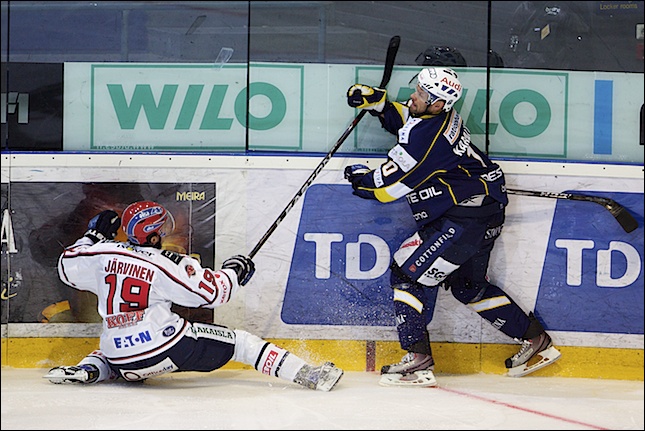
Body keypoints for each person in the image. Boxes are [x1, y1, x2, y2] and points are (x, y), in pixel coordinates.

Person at [343, 67, 561, 387]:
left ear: (437, 103)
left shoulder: (427, 141)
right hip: (483, 208)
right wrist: (379, 104)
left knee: (406, 274)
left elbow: (386, 189)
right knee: (468, 287)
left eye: (421, 94)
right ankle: (535, 340)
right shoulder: (440, 116)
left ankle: (418, 360)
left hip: (464, 219)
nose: (413, 97)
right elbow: (410, 119)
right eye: (417, 90)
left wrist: (359, 179)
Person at [43, 201, 344, 391]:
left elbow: (67, 265)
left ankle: (89, 369)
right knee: (242, 343)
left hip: (121, 357)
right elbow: (213, 293)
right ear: (155, 235)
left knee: (114, 355)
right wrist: (234, 273)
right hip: (166, 347)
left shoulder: (101, 253)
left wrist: (93, 236)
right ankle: (309, 375)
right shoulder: (166, 263)